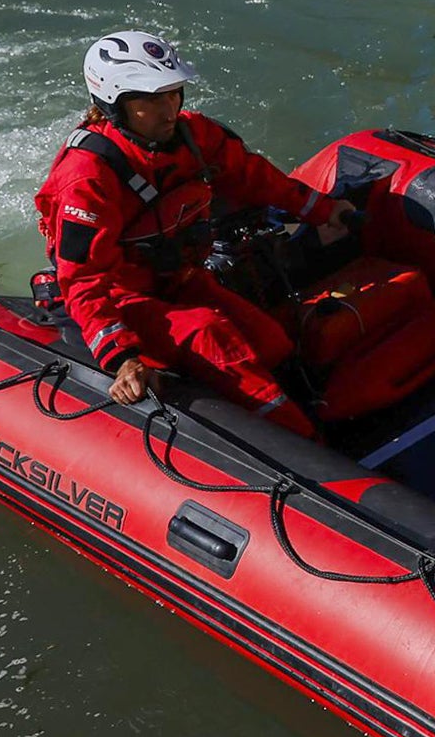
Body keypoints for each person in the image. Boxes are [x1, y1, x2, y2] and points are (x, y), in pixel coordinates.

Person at [34, 32, 360, 436]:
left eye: (173, 93)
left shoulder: (194, 135)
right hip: (125, 296)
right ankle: (308, 447)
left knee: (272, 341)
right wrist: (122, 359)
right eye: (152, 99)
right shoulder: (88, 176)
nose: (169, 109)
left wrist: (324, 211)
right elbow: (84, 280)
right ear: (115, 105)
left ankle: (310, 412)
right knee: (211, 336)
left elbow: (254, 177)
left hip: (180, 279)